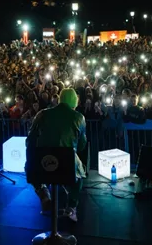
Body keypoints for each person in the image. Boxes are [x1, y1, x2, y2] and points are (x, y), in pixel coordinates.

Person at [26, 88, 87, 222]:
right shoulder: (79, 117)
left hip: (42, 163)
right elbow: (82, 146)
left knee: (30, 165)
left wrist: (33, 157)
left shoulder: (42, 114)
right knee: (80, 175)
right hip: (66, 165)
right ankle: (71, 207)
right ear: (74, 101)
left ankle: (43, 193)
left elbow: (30, 140)